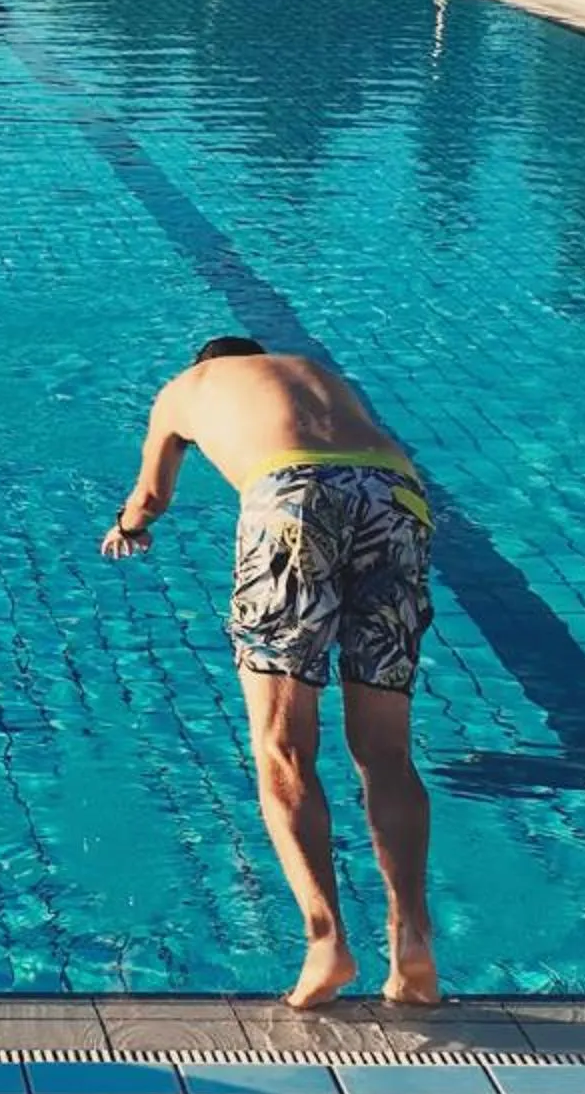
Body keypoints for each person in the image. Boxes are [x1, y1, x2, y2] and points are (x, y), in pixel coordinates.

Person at [101, 338, 439, 1009]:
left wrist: (128, 527)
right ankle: (413, 943)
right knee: (385, 753)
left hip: (292, 496)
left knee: (283, 748)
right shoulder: (318, 373)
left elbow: (149, 495)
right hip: (399, 497)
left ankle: (327, 942)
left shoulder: (185, 387)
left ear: (205, 362)